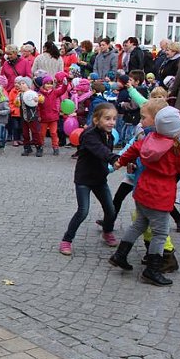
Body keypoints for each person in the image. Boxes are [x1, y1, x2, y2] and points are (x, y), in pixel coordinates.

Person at [109, 106, 180, 285]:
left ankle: (120, 254)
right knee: (161, 234)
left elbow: (132, 149)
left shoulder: (148, 138)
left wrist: (120, 161)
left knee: (139, 223)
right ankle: (152, 269)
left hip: (142, 190)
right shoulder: (176, 149)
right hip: (160, 196)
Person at [59, 103, 120, 257]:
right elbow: (100, 150)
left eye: (114, 119)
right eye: (107, 119)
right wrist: (114, 159)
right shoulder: (89, 135)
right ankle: (67, 240)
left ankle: (107, 232)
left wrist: (123, 162)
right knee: (83, 211)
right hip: (84, 179)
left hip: (100, 178)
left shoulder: (110, 135)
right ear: (96, 120)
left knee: (110, 209)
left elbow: (105, 154)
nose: (111, 122)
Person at [37, 74, 67, 156]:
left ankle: (55, 147)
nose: (49, 85)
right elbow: (38, 107)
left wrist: (65, 84)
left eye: (51, 84)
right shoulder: (39, 94)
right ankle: (40, 147)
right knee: (42, 134)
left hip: (53, 117)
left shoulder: (54, 92)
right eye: (47, 84)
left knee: (54, 133)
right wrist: (39, 116)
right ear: (43, 84)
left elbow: (62, 91)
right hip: (43, 117)